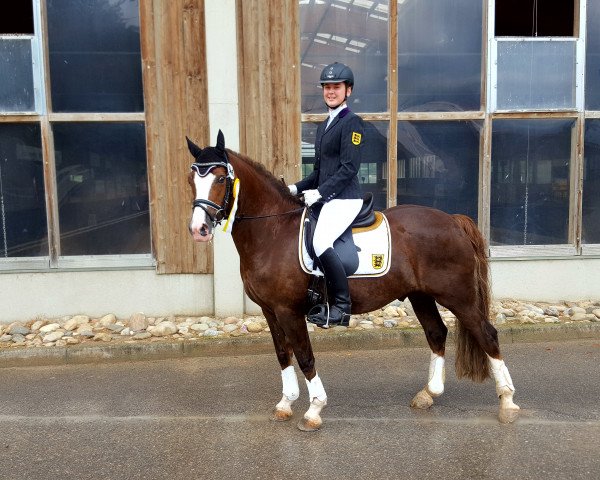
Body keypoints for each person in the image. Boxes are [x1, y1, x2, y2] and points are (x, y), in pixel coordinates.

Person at [288, 62, 364, 327]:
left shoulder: (352, 123)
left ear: (348, 90)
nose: (330, 91)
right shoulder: (324, 126)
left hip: (345, 199)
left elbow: (348, 168)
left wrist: (319, 193)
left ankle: (342, 307)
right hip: (329, 197)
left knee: (320, 243)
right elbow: (319, 171)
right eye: (327, 87)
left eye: (336, 87)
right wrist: (294, 189)